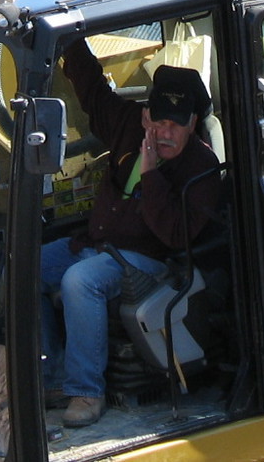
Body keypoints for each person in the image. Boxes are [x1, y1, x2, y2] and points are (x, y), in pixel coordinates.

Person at [40, 44, 220, 430]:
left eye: (175, 124)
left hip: (149, 260)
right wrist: (70, 42)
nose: (164, 132)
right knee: (23, 267)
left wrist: (152, 174)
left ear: (193, 123)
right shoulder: (126, 124)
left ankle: (87, 392)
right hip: (94, 245)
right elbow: (91, 91)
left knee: (79, 282)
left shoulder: (202, 166)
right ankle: (52, 376)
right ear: (145, 116)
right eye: (158, 122)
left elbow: (176, 234)